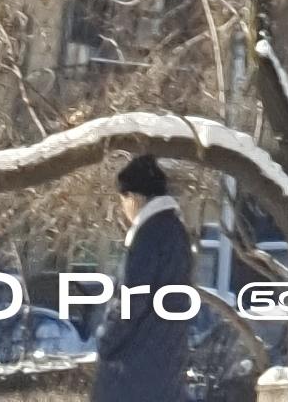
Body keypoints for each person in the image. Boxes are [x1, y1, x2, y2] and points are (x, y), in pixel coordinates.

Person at [94, 157, 198, 402]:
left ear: (133, 197)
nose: (123, 209)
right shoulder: (176, 232)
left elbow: (130, 301)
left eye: (123, 200)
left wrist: (105, 338)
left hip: (134, 369)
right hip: (166, 364)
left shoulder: (148, 236)